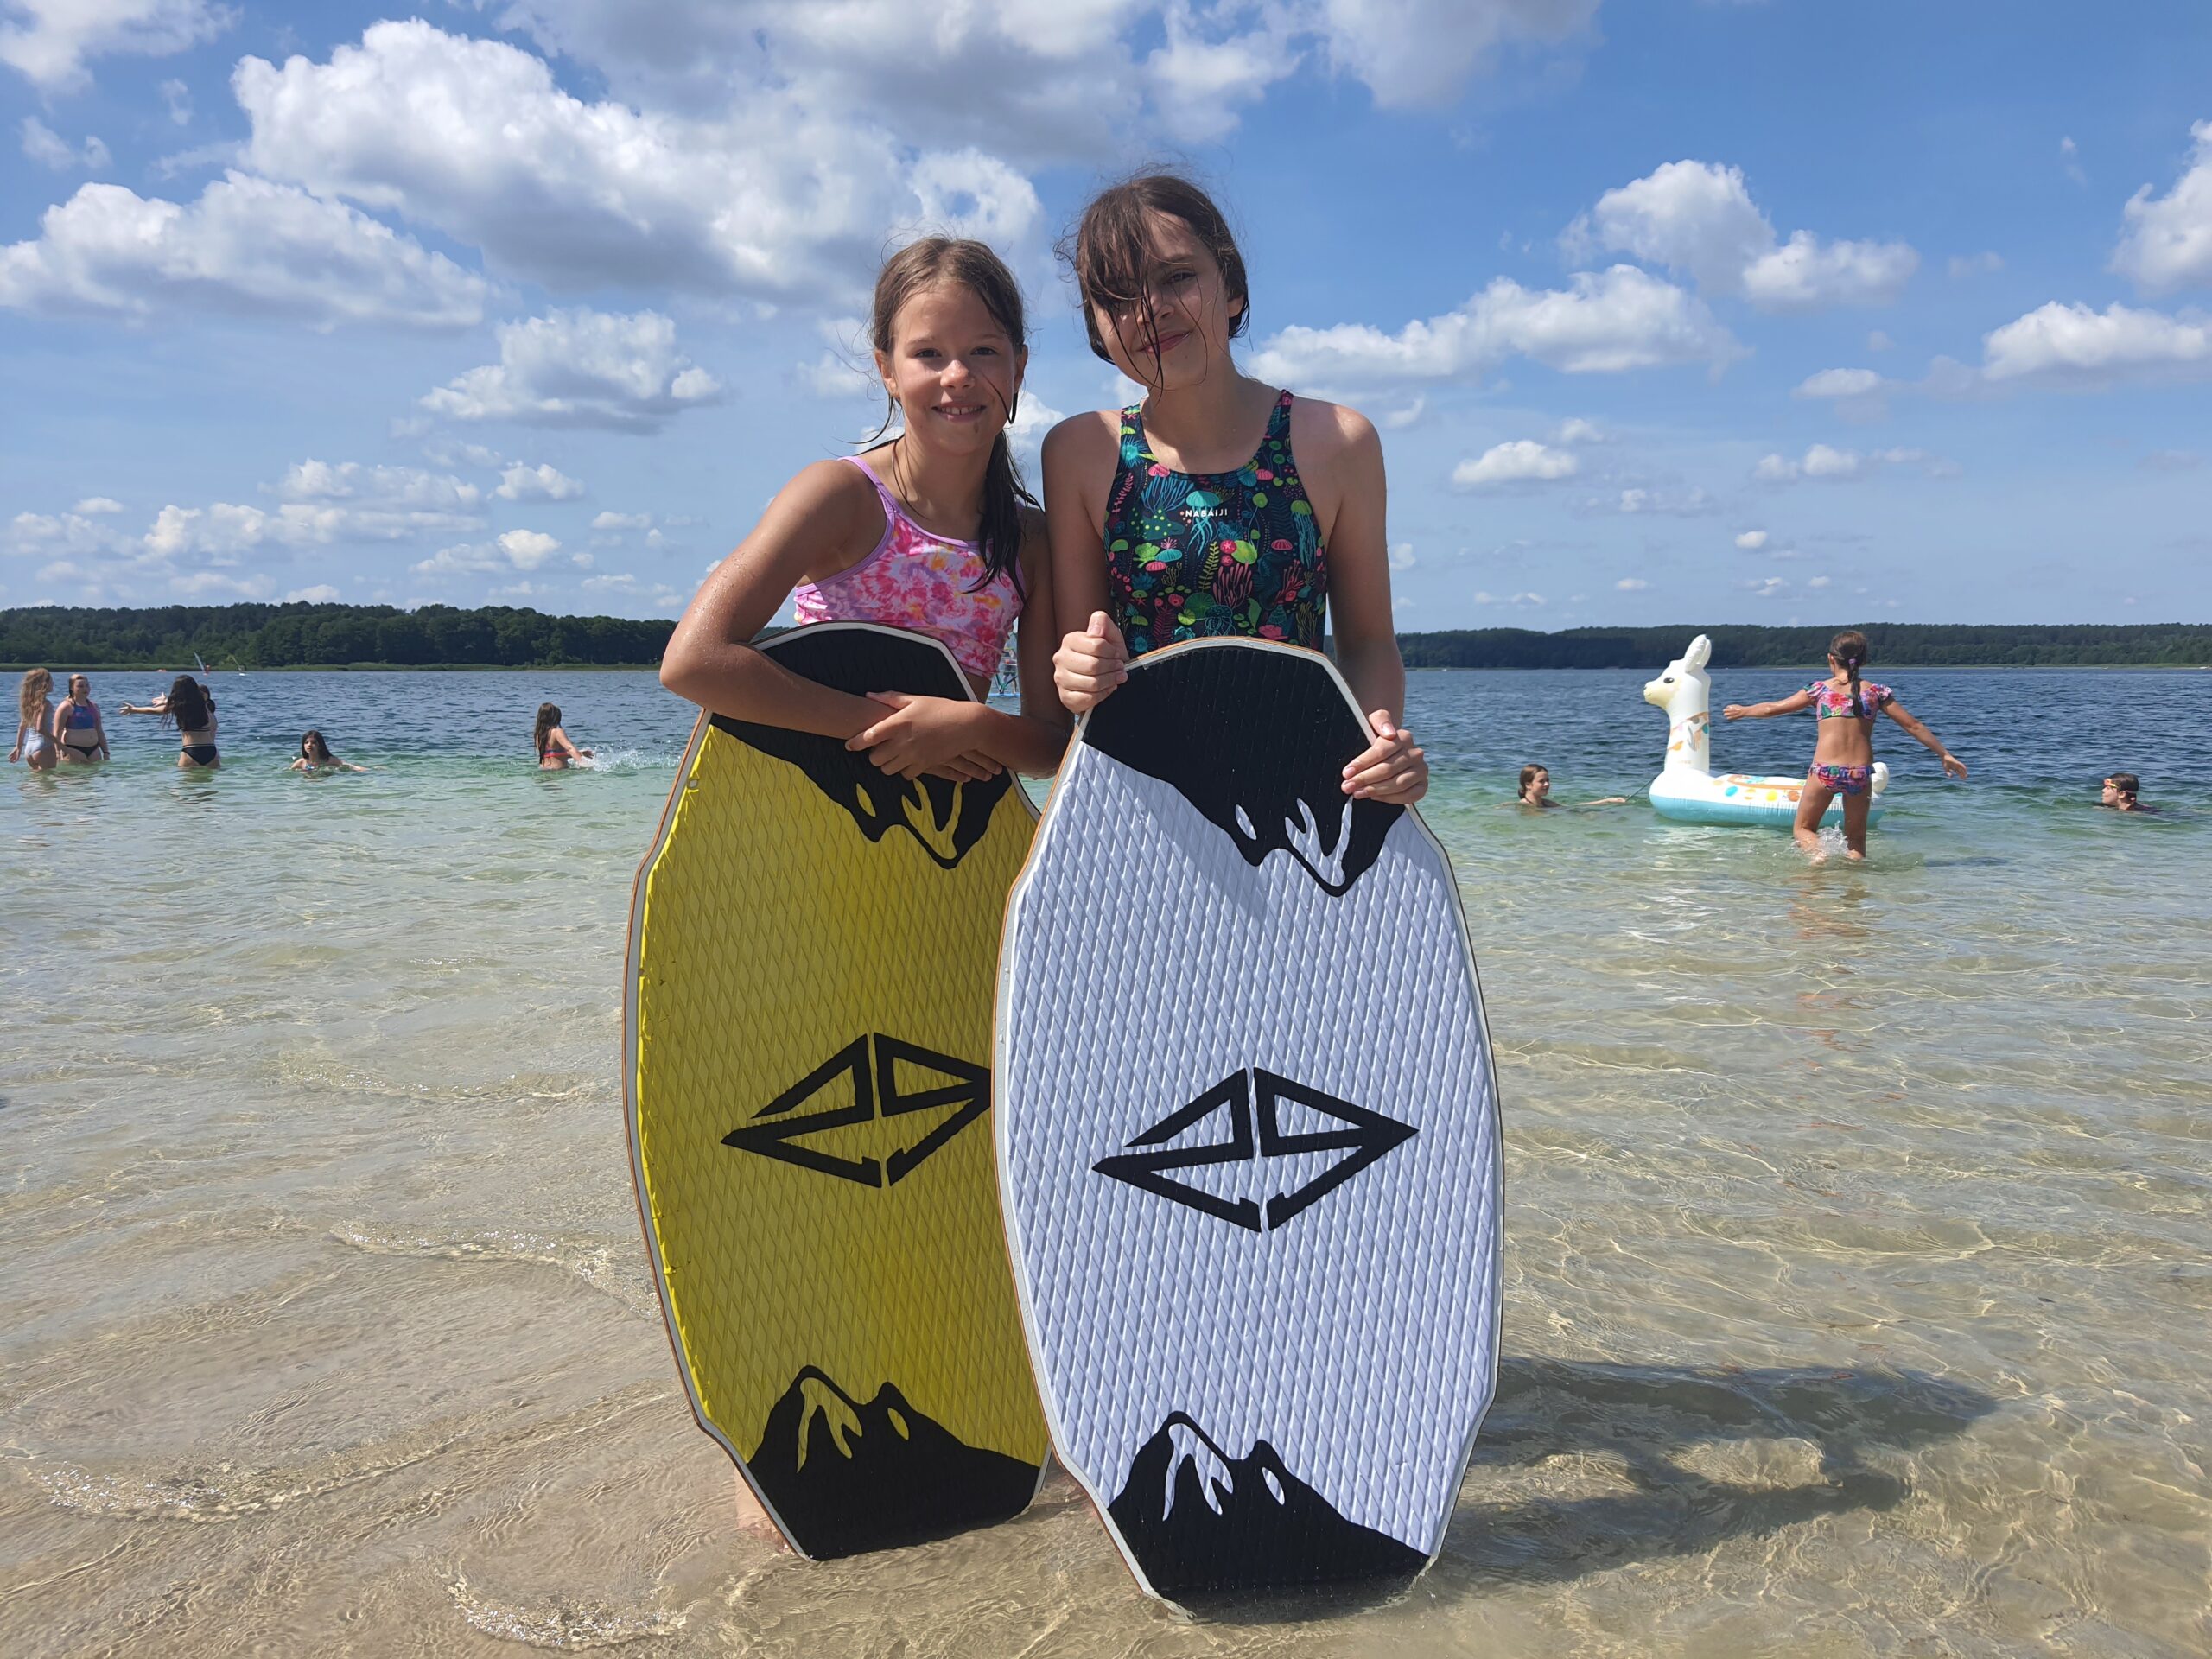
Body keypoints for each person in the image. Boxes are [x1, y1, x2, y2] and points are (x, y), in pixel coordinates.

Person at [1043, 173, 1426, 804]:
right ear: (1097, 330)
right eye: (1118, 297)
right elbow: (1081, 648)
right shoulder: (1080, 451)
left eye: (1177, 277)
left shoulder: (1338, 441)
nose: (1151, 309)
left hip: (1297, 788)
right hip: (1138, 801)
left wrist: (1378, 741)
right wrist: (1078, 671)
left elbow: (1368, 644)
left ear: (1233, 288)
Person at [660, 237, 1068, 780]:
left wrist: (975, 725)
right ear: (887, 370)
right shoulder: (839, 496)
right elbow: (693, 661)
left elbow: (1050, 747)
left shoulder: (1029, 540)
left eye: (984, 351)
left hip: (942, 822)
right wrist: (888, 727)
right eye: (928, 353)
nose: (957, 375)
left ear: (1019, 368)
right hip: (810, 802)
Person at [1723, 629, 1966, 860]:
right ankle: (1854, 888)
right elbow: (1913, 725)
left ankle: (1819, 855)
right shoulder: (1876, 693)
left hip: (1824, 771)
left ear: (1831, 658)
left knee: (1804, 829)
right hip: (1859, 774)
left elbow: (1772, 709)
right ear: (1863, 660)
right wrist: (1944, 754)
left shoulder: (1819, 690)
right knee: (1856, 841)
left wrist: (1744, 711)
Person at [118, 675, 220, 769]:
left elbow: (153, 710)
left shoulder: (179, 707)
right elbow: (198, 696)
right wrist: (166, 701)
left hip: (190, 750)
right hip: (210, 751)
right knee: (210, 783)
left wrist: (133, 710)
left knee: (188, 783)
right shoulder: (204, 705)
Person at [1513, 765, 1627, 808]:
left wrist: (1607, 801)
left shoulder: (1546, 803)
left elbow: (1572, 807)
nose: (1547, 784)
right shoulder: (1524, 805)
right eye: (1541, 781)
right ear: (1528, 785)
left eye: (1547, 780)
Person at [10, 667, 58, 771]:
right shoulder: (45, 703)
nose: (53, 683)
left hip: (29, 749)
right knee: (49, 780)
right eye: (51, 681)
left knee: (36, 779)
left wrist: (18, 747)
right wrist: (58, 743)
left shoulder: (28, 704)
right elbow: (39, 728)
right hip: (44, 746)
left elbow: (22, 726)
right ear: (44, 684)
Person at [53, 674, 108, 763]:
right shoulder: (66, 707)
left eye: (87, 685)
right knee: (75, 772)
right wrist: (57, 751)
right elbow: (57, 731)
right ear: (72, 688)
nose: (85, 689)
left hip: (94, 749)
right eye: (80, 686)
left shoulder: (94, 706)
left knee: (95, 772)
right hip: (73, 748)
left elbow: (99, 730)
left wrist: (106, 752)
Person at [533, 703, 592, 770]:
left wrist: (580, 753)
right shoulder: (557, 732)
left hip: (544, 770)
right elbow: (570, 748)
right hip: (559, 772)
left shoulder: (538, 735)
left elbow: (554, 754)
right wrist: (584, 764)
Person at [288, 730, 369, 773]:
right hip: (307, 790)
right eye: (306, 742)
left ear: (320, 745)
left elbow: (351, 766)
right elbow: (288, 773)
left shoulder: (330, 760)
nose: (309, 745)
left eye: (313, 742)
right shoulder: (301, 762)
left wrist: (368, 771)